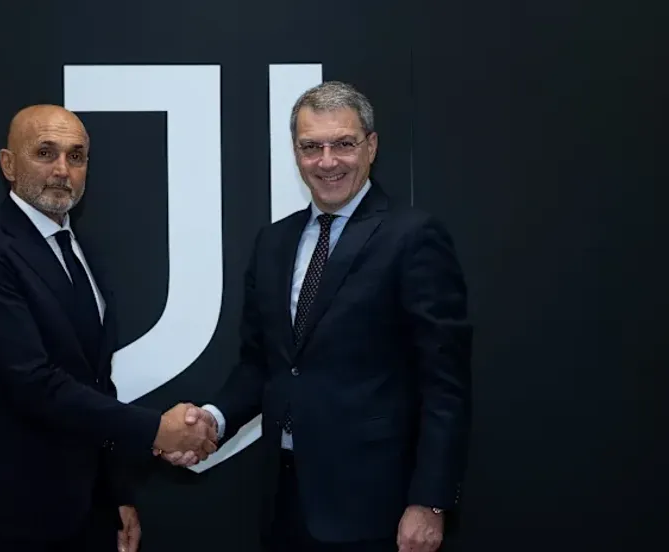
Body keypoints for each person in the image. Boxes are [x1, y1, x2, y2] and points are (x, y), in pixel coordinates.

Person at [164, 82, 473, 552]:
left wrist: (430, 501)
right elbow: (262, 364)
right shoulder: (273, 242)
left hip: (378, 507)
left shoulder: (413, 237)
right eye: (312, 147)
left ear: (371, 146)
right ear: (296, 152)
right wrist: (213, 420)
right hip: (283, 499)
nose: (327, 162)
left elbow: (445, 383)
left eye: (343, 144)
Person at [0, 104, 217, 552]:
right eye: (45, 153)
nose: (62, 169)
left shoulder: (81, 250)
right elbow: (33, 382)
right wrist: (156, 430)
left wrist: (116, 492)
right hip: (5, 512)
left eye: (76, 156)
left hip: (83, 509)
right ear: (8, 164)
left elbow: (95, 381)